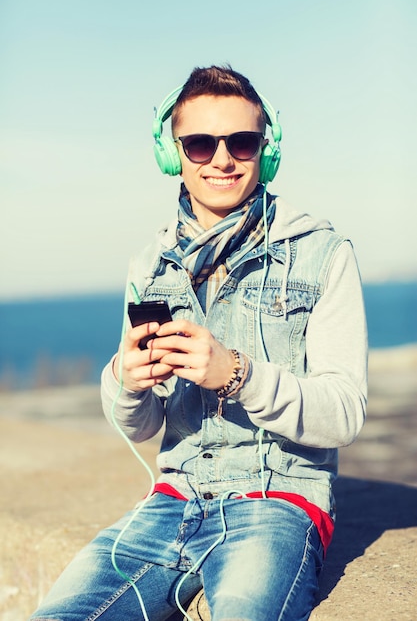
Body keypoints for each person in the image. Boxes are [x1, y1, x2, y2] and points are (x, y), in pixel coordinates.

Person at [30, 65, 367, 621]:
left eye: (241, 141)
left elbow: (346, 414)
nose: (221, 159)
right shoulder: (150, 265)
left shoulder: (322, 253)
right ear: (173, 155)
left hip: (276, 503)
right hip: (170, 503)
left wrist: (238, 373)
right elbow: (139, 426)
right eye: (199, 143)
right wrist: (127, 381)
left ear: (267, 148)